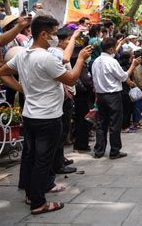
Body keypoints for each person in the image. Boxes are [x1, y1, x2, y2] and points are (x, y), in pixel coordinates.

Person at [0, 15, 91, 214]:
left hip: (31, 115)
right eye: (55, 33)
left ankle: (32, 195)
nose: (56, 37)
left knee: (32, 157)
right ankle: (38, 203)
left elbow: (3, 72)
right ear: (43, 34)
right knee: (43, 161)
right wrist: (81, 59)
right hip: (47, 117)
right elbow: (72, 79)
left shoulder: (23, 55)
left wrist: (22, 89)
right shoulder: (46, 57)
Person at [92, 38, 140, 159]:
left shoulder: (96, 61)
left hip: (101, 95)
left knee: (101, 123)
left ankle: (99, 150)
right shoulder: (111, 61)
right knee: (114, 123)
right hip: (112, 95)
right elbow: (123, 77)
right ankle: (114, 151)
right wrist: (133, 66)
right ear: (111, 49)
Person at [48, 27, 84, 174]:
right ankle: (58, 164)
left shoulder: (56, 52)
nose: (71, 43)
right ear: (60, 41)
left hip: (65, 94)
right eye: (69, 40)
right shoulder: (56, 53)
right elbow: (63, 63)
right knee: (61, 131)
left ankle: (60, 158)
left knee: (63, 129)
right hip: (63, 97)